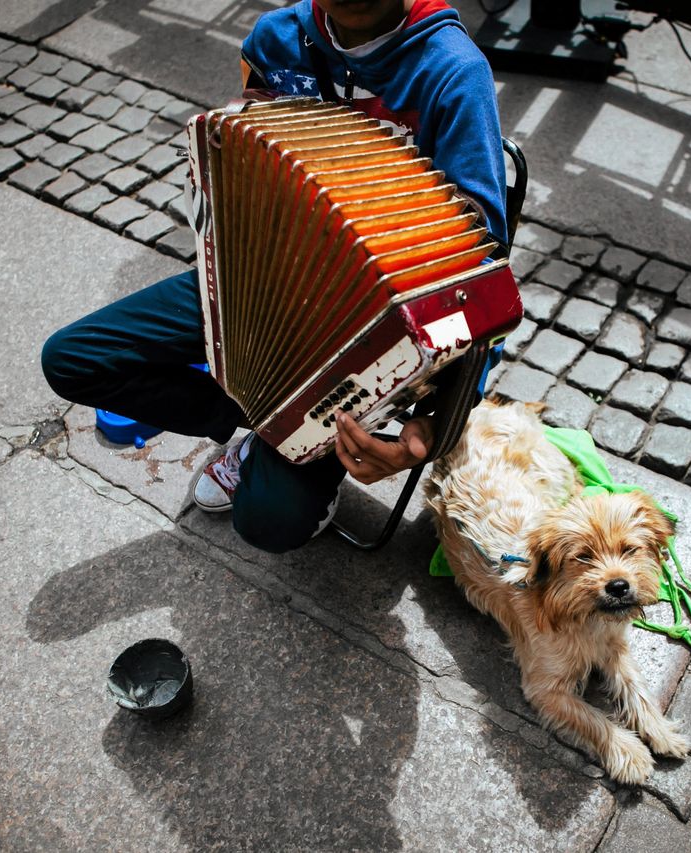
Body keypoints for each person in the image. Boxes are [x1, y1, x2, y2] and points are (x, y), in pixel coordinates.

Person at [41, 0, 508, 552]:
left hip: (362, 331)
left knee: (267, 525)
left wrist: (434, 427)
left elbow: (478, 280)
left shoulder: (453, 72)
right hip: (258, 282)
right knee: (72, 360)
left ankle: (288, 438)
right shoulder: (276, 38)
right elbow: (246, 141)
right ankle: (268, 426)